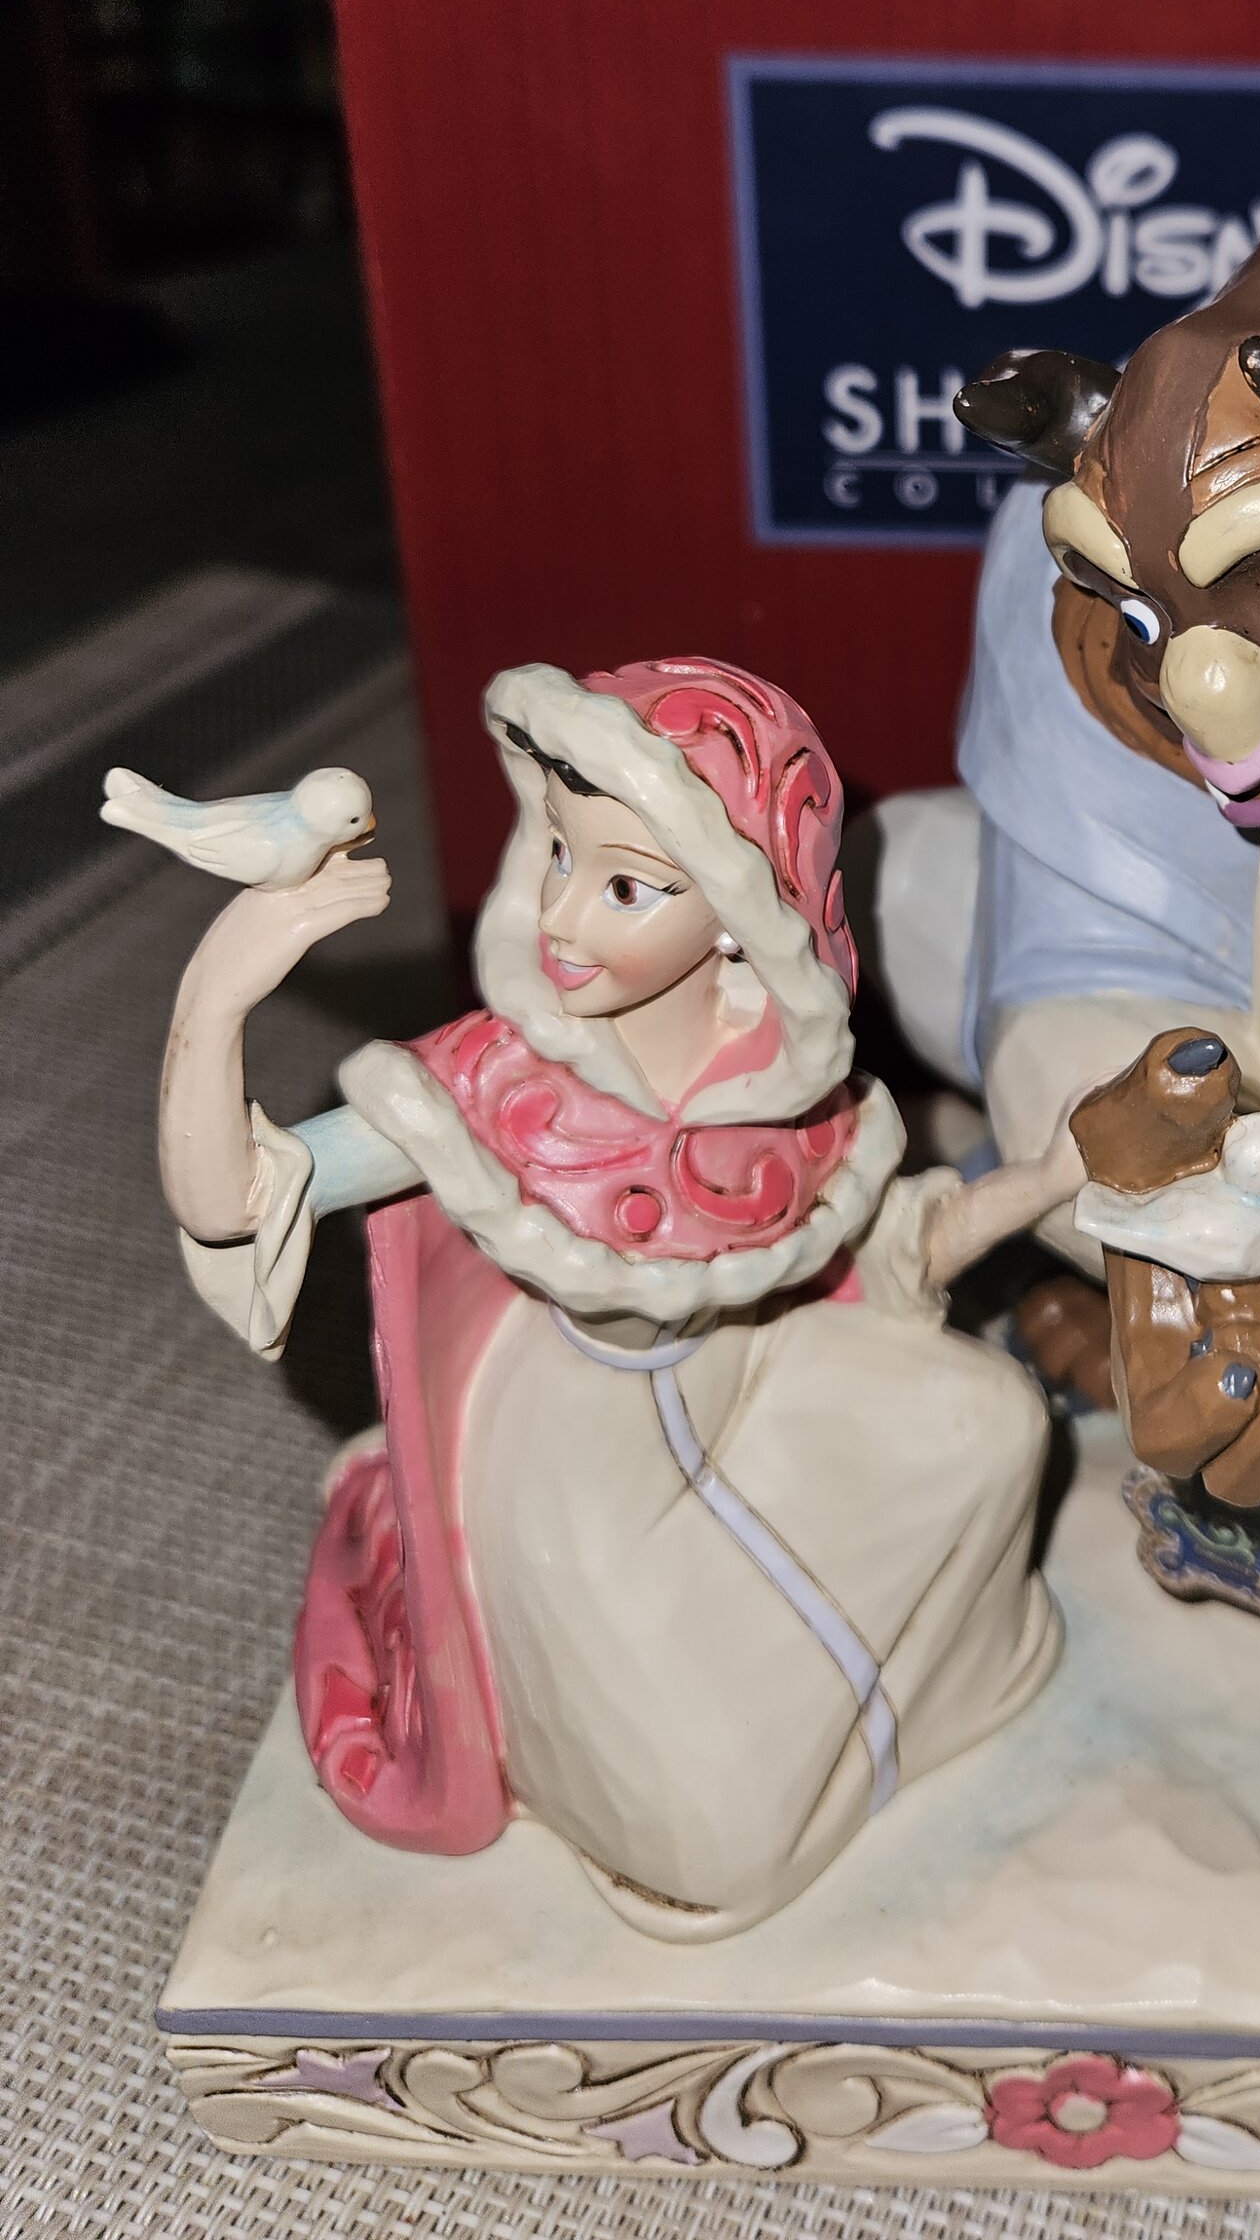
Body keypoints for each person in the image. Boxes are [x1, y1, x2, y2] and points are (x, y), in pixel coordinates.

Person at [157, 655, 1058, 1938]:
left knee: (996, 1425)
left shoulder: (784, 1090)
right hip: (576, 1481)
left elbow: (871, 1249)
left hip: (756, 1387)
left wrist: (1053, 1178)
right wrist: (221, 986)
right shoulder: (494, 1086)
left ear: (739, 912)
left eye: (627, 885)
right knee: (714, 1852)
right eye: (561, 855)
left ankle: (891, 1714)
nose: (563, 918)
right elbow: (232, 1203)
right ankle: (765, 1748)